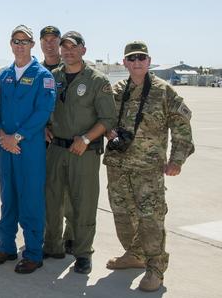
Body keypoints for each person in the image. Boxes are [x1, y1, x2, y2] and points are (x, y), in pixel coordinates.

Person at [104, 41, 194, 292]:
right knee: (122, 214)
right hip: (118, 165)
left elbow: (182, 125)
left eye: (141, 58)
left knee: (151, 218)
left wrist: (177, 159)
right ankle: (135, 254)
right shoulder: (116, 90)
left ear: (149, 61)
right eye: (132, 58)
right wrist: (108, 131)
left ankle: (156, 268)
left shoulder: (163, 91)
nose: (137, 62)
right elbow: (102, 119)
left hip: (148, 168)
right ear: (125, 62)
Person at [43, 31, 117, 275]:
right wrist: (44, 126)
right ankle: (52, 245)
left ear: (83, 50)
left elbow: (108, 118)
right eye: (64, 47)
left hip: (83, 151)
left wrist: (86, 139)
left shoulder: (97, 81)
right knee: (52, 199)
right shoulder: (52, 77)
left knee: (83, 202)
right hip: (56, 149)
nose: (68, 51)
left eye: (73, 47)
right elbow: (43, 107)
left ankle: (83, 253)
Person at [0, 25, 56, 273]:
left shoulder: (43, 76)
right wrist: (2, 135)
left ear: (32, 45)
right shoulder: (4, 75)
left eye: (24, 41)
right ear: (11, 44)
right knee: (8, 198)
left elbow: (43, 112)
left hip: (29, 148)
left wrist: (16, 137)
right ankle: (6, 246)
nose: (20, 45)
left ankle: (33, 253)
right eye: (16, 41)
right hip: (6, 147)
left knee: (31, 200)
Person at [39, 25, 75, 254]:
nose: (50, 44)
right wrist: (41, 127)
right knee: (48, 191)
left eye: (54, 40)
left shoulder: (72, 67)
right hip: (43, 141)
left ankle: (71, 237)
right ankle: (49, 236)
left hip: (68, 139)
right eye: (46, 40)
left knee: (70, 192)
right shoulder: (36, 70)